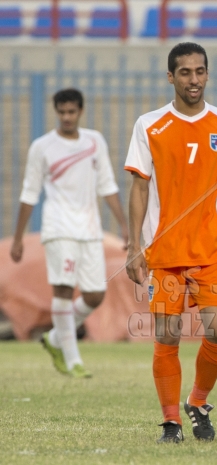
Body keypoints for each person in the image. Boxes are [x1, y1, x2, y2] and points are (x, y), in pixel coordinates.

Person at [124, 42, 217, 444]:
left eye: (199, 71)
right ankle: (171, 422)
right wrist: (133, 245)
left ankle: (197, 401)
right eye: (185, 72)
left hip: (212, 249)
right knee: (167, 336)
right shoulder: (149, 125)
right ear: (170, 77)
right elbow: (139, 188)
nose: (193, 79)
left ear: (207, 74)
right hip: (164, 252)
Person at [10, 88, 127, 379]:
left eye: (71, 112)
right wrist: (18, 237)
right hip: (59, 228)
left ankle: (54, 338)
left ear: (80, 112)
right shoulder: (42, 147)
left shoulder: (94, 141)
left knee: (95, 294)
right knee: (63, 289)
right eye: (61, 112)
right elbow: (29, 192)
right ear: (56, 112)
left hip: (89, 230)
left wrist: (124, 225)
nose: (66, 117)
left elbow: (108, 185)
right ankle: (73, 359)